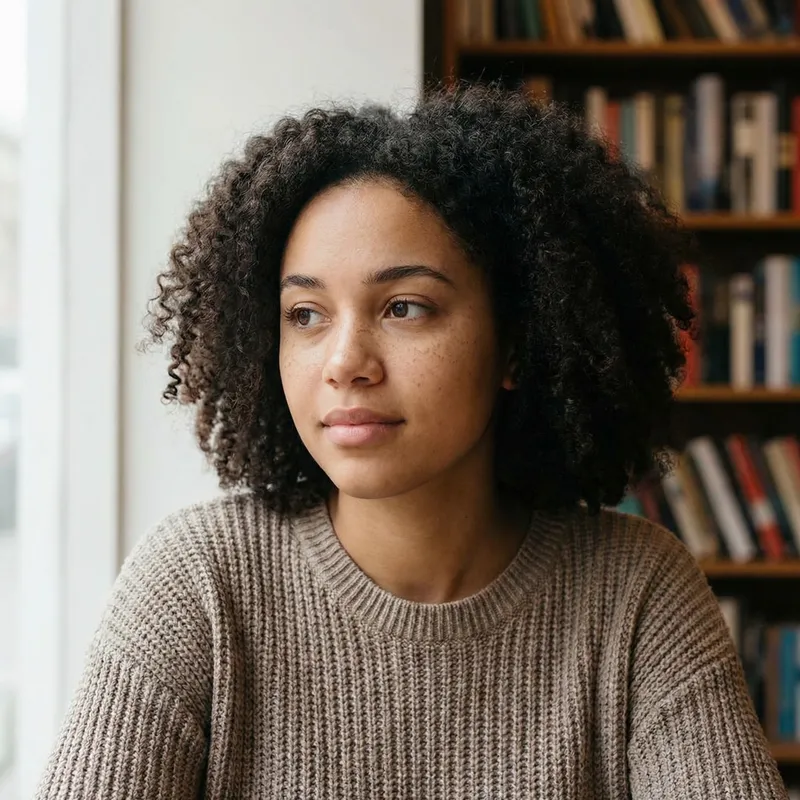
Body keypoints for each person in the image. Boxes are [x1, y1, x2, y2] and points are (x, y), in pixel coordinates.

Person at [35, 82, 787, 799]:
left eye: (404, 307)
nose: (345, 363)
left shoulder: (637, 593)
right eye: (305, 315)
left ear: (517, 344)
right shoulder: (198, 584)